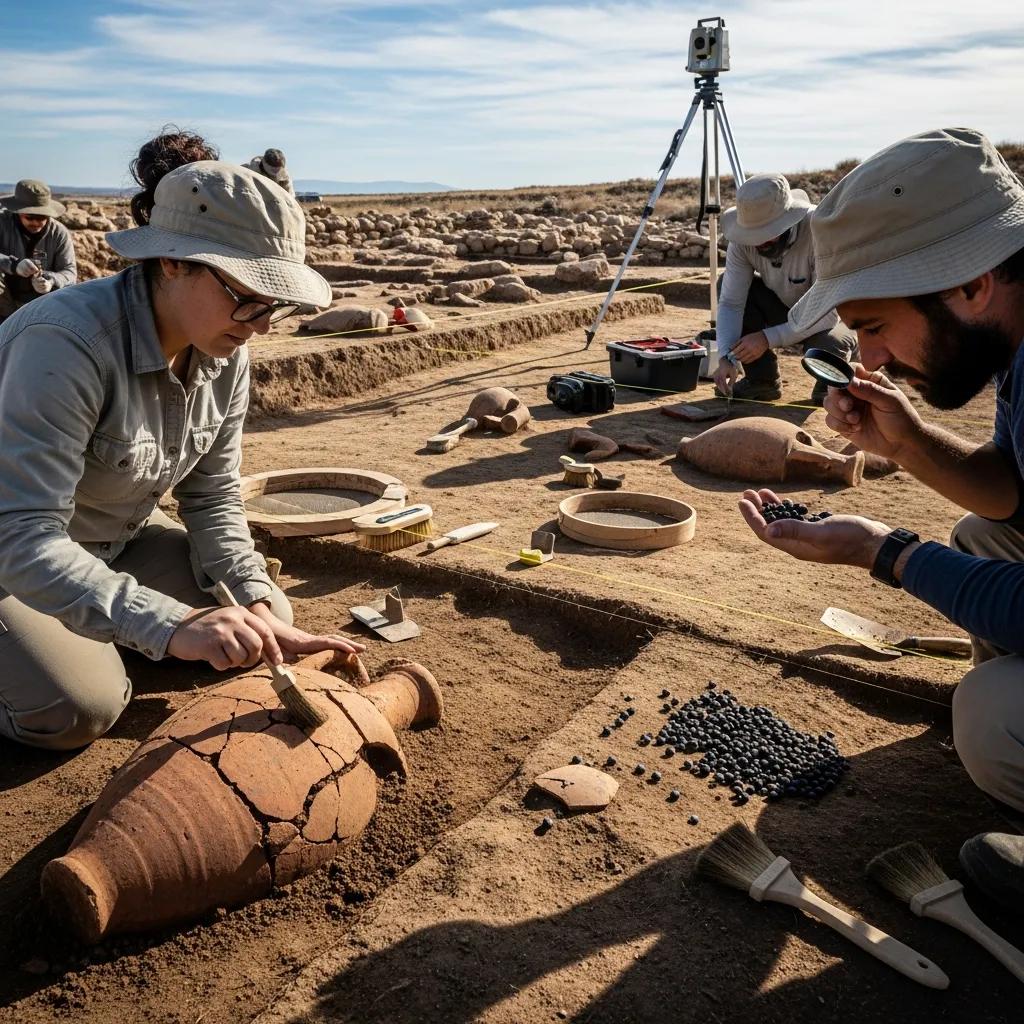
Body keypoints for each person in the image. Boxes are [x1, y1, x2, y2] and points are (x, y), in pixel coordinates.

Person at [737, 128, 1024, 910]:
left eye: (871, 325)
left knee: (994, 716)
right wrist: (911, 439)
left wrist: (883, 550)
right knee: (981, 539)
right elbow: (1011, 493)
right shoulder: (1014, 339)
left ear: (970, 284)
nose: (868, 363)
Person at [0, 133, 356, 751]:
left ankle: (89, 634)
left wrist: (247, 594)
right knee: (80, 708)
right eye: (249, 298)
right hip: (14, 557)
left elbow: (213, 499)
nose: (263, 324)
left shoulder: (223, 347)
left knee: (264, 621)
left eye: (277, 304)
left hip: (110, 546)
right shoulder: (65, 344)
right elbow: (23, 535)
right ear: (172, 262)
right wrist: (172, 624)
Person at [713, 172, 858, 405]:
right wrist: (725, 357)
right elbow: (731, 302)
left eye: (767, 234)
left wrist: (766, 338)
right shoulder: (741, 242)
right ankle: (762, 381)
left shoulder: (821, 232)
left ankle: (832, 379)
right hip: (787, 308)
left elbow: (827, 312)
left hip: (836, 316)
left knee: (827, 348)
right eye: (753, 236)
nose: (759, 242)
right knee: (727, 285)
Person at [0, 179, 77, 323]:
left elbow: (70, 272)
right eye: (30, 217)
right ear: (17, 212)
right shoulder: (2, 222)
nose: (36, 223)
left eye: (42, 217)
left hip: (43, 305)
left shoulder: (59, 233)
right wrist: (14, 265)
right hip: (6, 304)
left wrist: (50, 280)